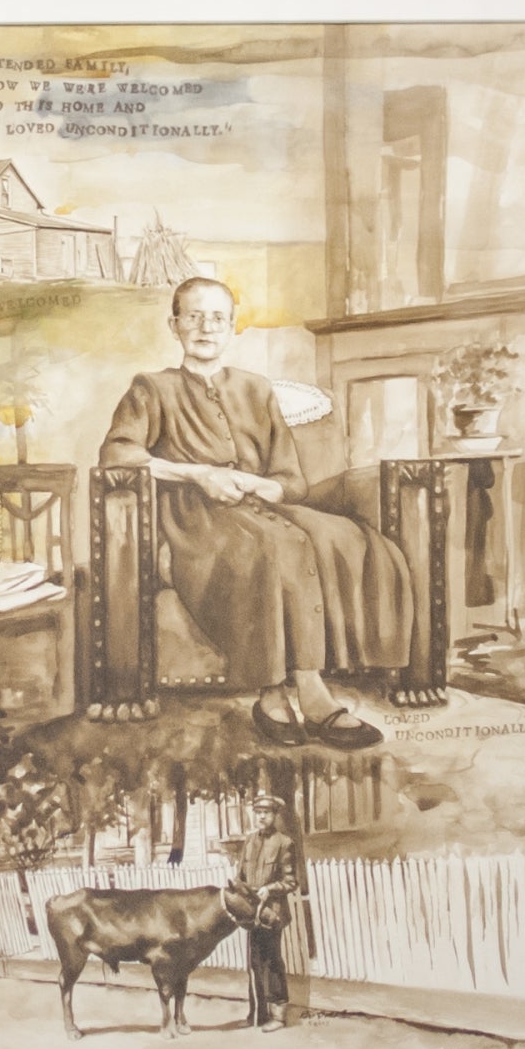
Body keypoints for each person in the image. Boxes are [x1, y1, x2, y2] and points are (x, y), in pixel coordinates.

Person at [98, 276, 410, 749]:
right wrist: (198, 474)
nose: (206, 327)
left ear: (233, 328)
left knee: (341, 536)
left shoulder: (257, 389)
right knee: (274, 544)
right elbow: (117, 455)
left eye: (218, 318)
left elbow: (291, 481)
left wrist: (260, 484)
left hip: (259, 504)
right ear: (175, 324)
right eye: (194, 316)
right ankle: (293, 691)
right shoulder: (152, 388)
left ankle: (301, 686)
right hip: (194, 516)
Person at [236, 802, 305, 1031]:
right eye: (258, 813)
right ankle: (258, 1013)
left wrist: (270, 889)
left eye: (266, 813)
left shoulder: (285, 843)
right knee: (254, 963)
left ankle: (278, 1015)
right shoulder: (249, 841)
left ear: (275, 815)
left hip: (272, 912)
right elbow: (241, 877)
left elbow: (291, 882)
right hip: (251, 912)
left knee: (272, 962)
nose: (261, 817)